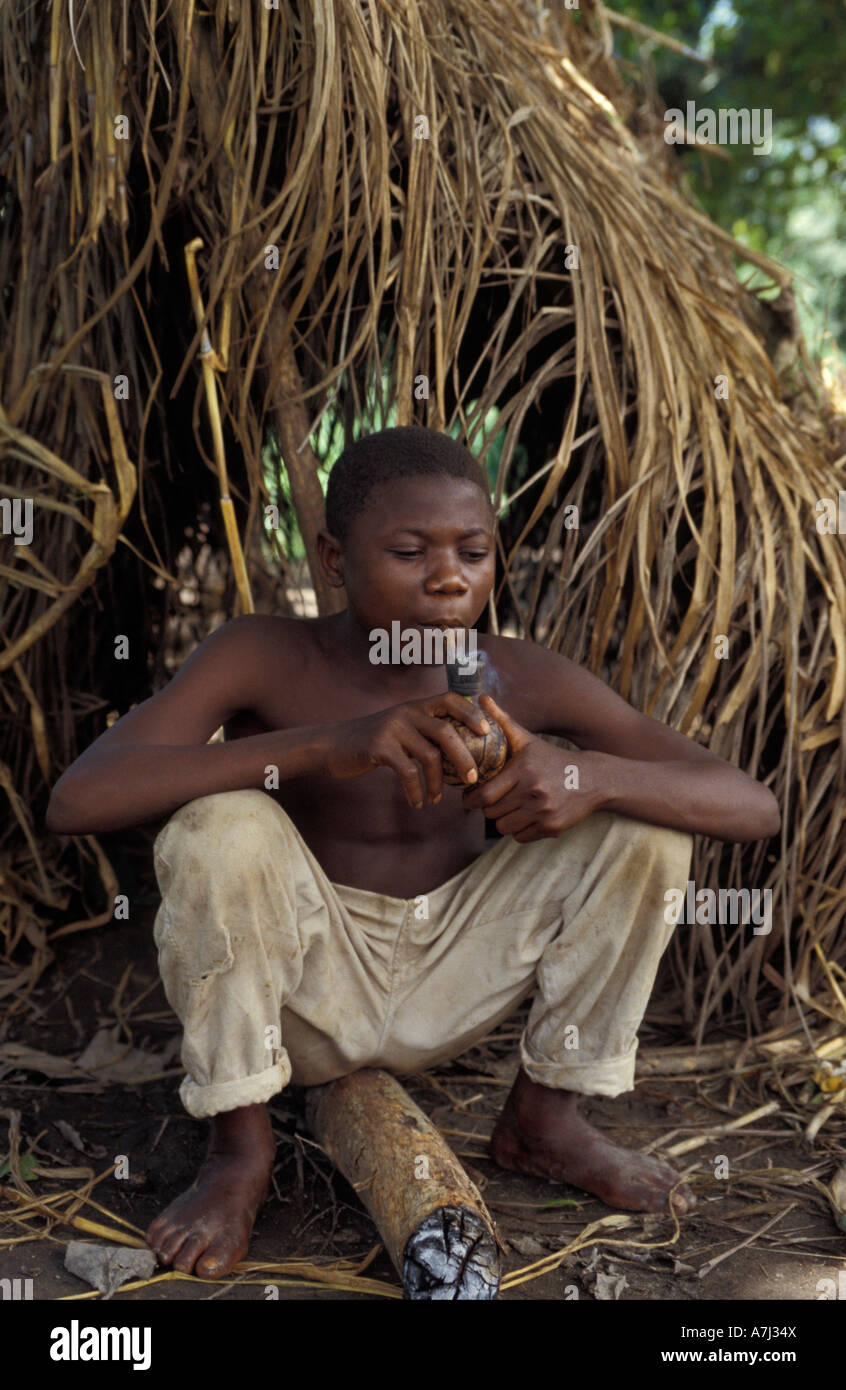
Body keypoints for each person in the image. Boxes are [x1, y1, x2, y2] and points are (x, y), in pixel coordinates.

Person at [46, 425, 780, 1281]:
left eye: (474, 551)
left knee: (644, 826)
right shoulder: (266, 656)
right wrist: (327, 746)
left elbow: (752, 805)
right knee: (220, 828)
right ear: (331, 558)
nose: (448, 576)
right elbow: (80, 797)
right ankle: (239, 1150)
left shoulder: (516, 675)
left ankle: (544, 1121)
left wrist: (583, 775)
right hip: (303, 998)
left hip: (453, 987)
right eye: (408, 550)